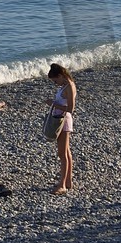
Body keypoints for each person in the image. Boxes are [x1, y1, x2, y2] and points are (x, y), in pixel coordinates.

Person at [46, 62, 77, 195]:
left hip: (63, 120)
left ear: (60, 75)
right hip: (61, 119)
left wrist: (54, 105)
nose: (56, 84)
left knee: (62, 153)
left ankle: (62, 184)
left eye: (55, 81)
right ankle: (68, 181)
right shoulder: (65, 85)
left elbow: (70, 109)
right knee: (67, 152)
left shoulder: (69, 86)